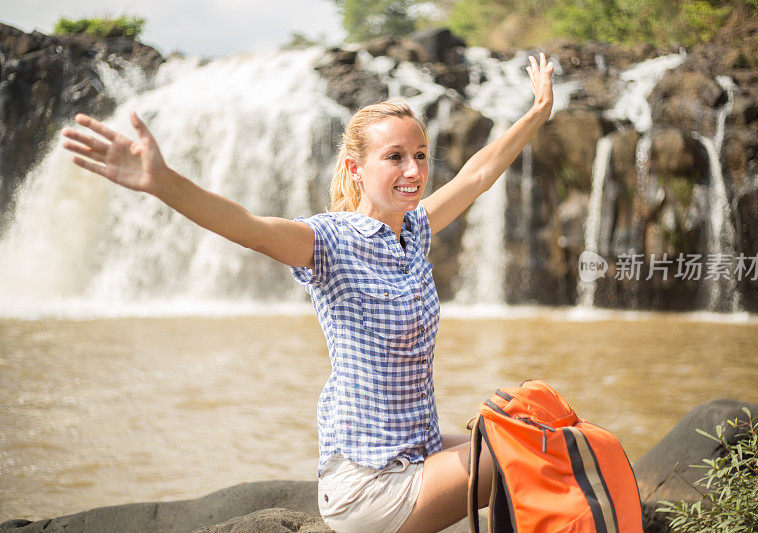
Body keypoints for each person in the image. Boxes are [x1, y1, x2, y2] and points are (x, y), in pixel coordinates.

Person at [61, 52, 555, 533]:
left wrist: (536, 113)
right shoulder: (329, 241)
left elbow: (478, 174)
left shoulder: (415, 230)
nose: (413, 171)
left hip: (414, 444)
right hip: (371, 481)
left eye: (420, 156)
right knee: (521, 455)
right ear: (356, 169)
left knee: (529, 431)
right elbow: (250, 228)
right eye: (395, 157)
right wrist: (162, 182)